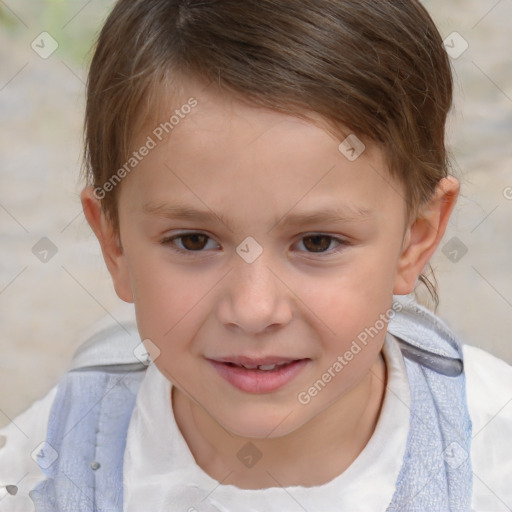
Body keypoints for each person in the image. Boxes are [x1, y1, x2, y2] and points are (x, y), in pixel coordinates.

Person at [1, 0, 511, 510]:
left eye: (317, 242)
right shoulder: (45, 465)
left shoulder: (494, 455)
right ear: (114, 243)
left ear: (414, 239)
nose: (253, 310)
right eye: (193, 241)